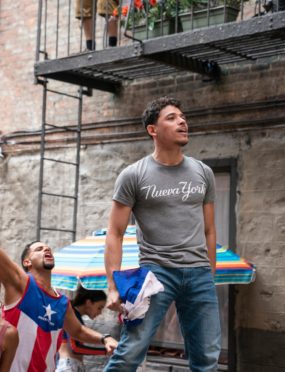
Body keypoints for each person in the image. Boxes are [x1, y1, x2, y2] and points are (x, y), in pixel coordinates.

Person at [0, 170, 118, 372]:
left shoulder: (62, 302)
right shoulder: (20, 283)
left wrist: (105, 338)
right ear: (27, 262)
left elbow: (77, 330)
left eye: (48, 248)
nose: (46, 249)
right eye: (39, 249)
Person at [104, 96, 221, 372]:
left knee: (207, 360)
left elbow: (209, 229)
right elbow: (115, 232)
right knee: (129, 354)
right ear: (152, 130)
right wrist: (112, 287)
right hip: (156, 274)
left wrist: (210, 275)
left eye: (183, 117)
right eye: (172, 117)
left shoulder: (203, 172)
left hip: (199, 273)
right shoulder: (133, 175)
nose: (182, 121)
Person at [56, 287, 108, 372]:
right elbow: (76, 348)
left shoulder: (76, 317)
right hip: (68, 365)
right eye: (99, 307)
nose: (100, 312)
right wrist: (106, 349)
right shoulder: (72, 315)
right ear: (88, 302)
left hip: (73, 365)